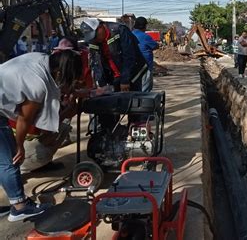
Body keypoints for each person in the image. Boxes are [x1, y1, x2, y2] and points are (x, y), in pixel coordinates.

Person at [0, 50, 82, 221]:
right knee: (10, 160)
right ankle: (20, 207)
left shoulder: (41, 59)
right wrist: (19, 146)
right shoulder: (36, 85)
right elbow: (25, 119)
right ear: (59, 72)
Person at [80, 18, 147, 92]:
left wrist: (125, 80)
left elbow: (129, 56)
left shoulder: (120, 30)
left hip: (133, 72)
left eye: (95, 36)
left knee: (133, 99)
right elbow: (97, 63)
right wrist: (102, 84)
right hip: (115, 76)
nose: (95, 39)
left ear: (100, 27)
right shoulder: (93, 41)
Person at [132, 17, 159, 92]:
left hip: (132, 68)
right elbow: (156, 46)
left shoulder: (130, 34)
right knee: (145, 91)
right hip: (144, 67)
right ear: (144, 26)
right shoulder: (145, 36)